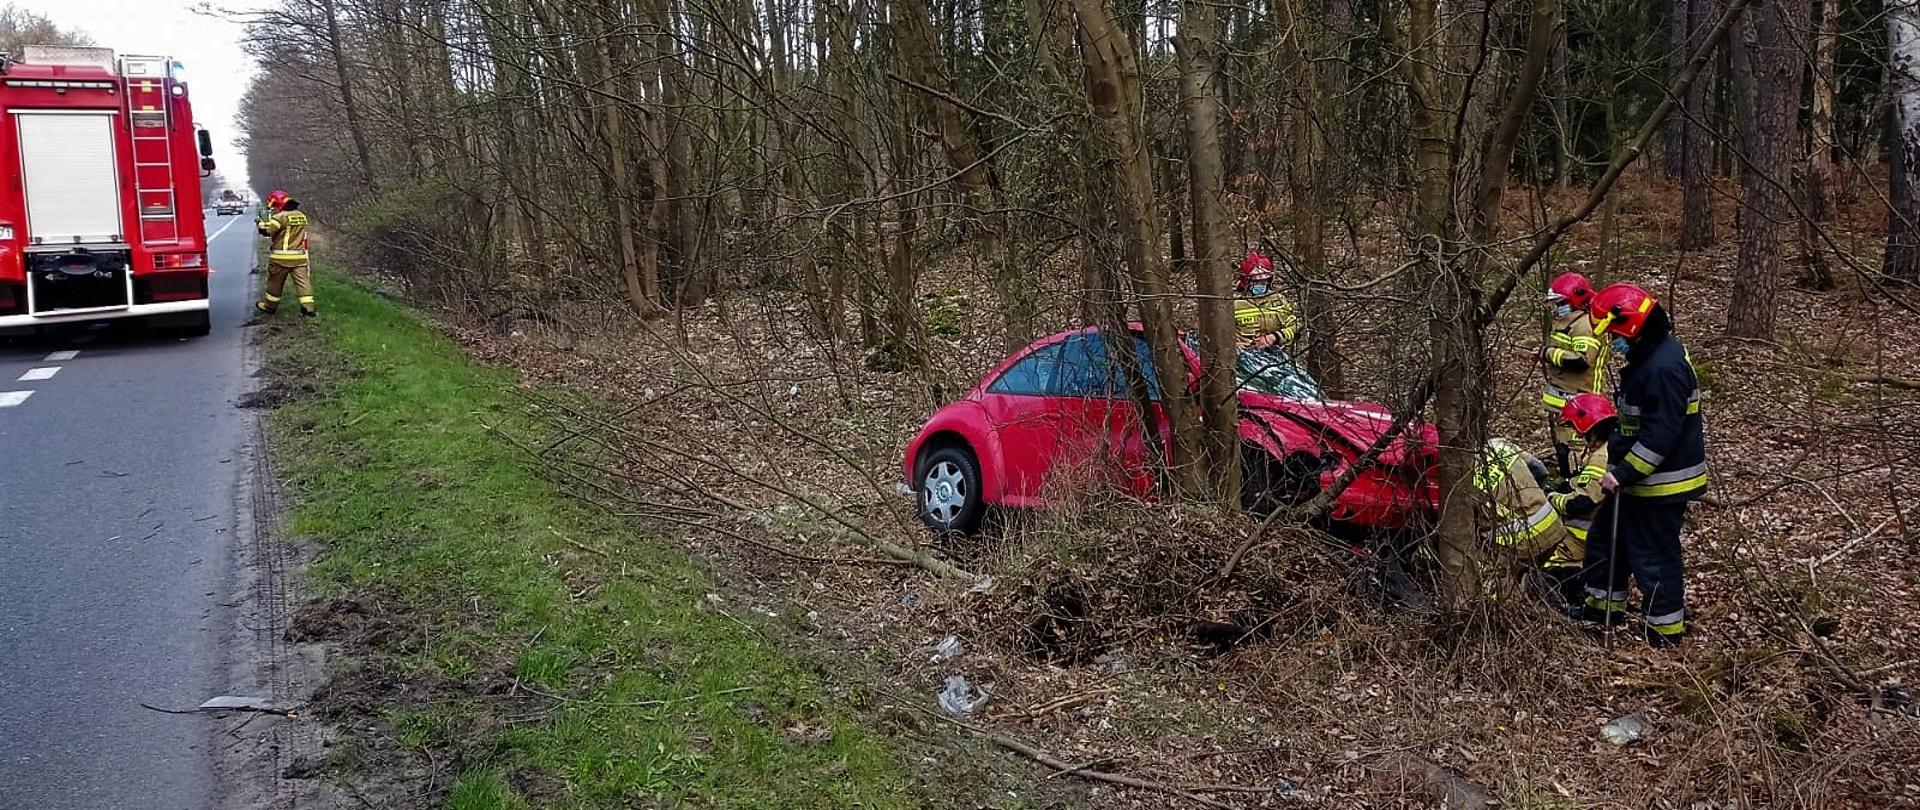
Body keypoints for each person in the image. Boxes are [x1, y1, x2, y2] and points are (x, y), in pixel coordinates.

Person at [1580, 283, 1708, 647]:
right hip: (1638, 482)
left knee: (1653, 556)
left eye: (1615, 334)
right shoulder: (1649, 358)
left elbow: (1659, 437)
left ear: (1632, 326)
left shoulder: (1663, 368)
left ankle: (1664, 632)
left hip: (1659, 484)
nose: (1613, 343)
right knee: (1606, 541)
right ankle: (1601, 608)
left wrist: (1623, 473)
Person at [1476, 437, 1584, 609]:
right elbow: (1540, 471)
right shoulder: (1498, 444)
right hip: (1552, 526)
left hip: (1520, 540)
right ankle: (1552, 593)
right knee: (1526, 572)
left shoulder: (1457, 474)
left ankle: (1509, 613)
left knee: (1494, 577)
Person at [1533, 272, 1608, 479]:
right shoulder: (1567, 322)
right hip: (1565, 401)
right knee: (1564, 448)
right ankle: (1567, 481)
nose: (1556, 308)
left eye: (1560, 303)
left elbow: (1581, 361)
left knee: (1576, 452)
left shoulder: (1584, 326)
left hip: (1581, 401)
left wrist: (1547, 354)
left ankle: (1576, 487)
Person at [1545, 393, 1615, 607]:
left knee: (1544, 566)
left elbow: (1581, 502)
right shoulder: (1604, 448)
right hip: (1592, 538)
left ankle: (1576, 591)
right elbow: (1583, 484)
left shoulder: (1601, 457)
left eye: (1576, 428)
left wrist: (1551, 498)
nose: (1576, 433)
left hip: (1584, 539)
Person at [254, 189, 315, 318]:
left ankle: (269, 307)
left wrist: (261, 222)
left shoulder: (280, 217)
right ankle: (308, 309)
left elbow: (267, 231)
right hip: (300, 257)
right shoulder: (300, 215)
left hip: (280, 258)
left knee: (275, 283)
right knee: (303, 283)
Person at [1233, 251, 1298, 349]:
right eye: (1256, 281)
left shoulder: (1279, 301)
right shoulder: (1234, 303)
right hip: (1242, 357)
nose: (1261, 283)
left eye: (1264, 280)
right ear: (1246, 281)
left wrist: (1275, 337)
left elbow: (1294, 326)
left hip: (1275, 355)